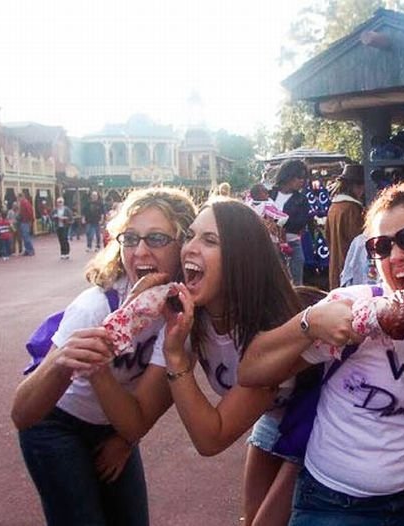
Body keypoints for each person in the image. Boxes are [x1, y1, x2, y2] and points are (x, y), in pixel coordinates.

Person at [238, 181, 404, 526]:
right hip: (333, 502)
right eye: (381, 246)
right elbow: (251, 371)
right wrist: (308, 323)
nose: (395, 256)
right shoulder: (349, 306)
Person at [11, 186, 197, 526]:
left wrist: (125, 439)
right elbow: (23, 415)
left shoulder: (182, 318)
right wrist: (64, 361)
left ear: (185, 246)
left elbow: (147, 408)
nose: (140, 251)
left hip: (116, 424)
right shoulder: (95, 305)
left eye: (156, 238)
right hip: (56, 423)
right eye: (130, 238)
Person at [158, 198, 305, 526]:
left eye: (210, 241)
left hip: (318, 419)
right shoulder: (197, 315)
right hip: (273, 417)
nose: (190, 248)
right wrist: (122, 439)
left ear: (242, 258)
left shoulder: (270, 329)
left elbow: (212, 437)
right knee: (251, 519)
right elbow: (150, 400)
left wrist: (175, 356)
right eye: (190, 236)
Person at [270, 160, 311, 286]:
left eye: (304, 178)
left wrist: (277, 222)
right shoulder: (269, 194)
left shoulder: (302, 199)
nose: (302, 181)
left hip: (292, 246)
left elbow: (300, 223)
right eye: (299, 177)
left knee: (296, 285)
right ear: (289, 175)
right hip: (269, 246)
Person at [326, 164, 365, 290]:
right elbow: (358, 242)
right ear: (356, 186)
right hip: (349, 265)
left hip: (335, 265)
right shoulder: (352, 209)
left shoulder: (334, 207)